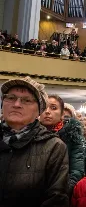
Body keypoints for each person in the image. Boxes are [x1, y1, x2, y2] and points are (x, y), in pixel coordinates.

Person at [0, 77, 69, 206]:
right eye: (11, 98)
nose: (16, 104)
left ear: (39, 110)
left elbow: (56, 199)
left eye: (26, 100)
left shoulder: (53, 146)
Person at [39, 94, 86, 195]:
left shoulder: (71, 136)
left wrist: (62, 192)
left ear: (61, 114)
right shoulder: (31, 135)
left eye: (53, 108)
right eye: (44, 107)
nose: (47, 111)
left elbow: (76, 171)